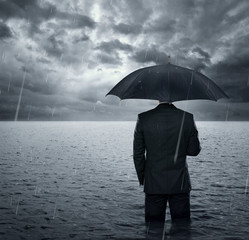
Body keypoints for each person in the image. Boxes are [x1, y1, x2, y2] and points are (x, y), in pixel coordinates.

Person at [133, 100, 201, 225]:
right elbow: (194, 151)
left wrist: (143, 178)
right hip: (179, 183)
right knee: (182, 229)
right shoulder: (187, 117)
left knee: (153, 229)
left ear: (157, 97)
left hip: (154, 183)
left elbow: (138, 154)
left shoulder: (143, 118)